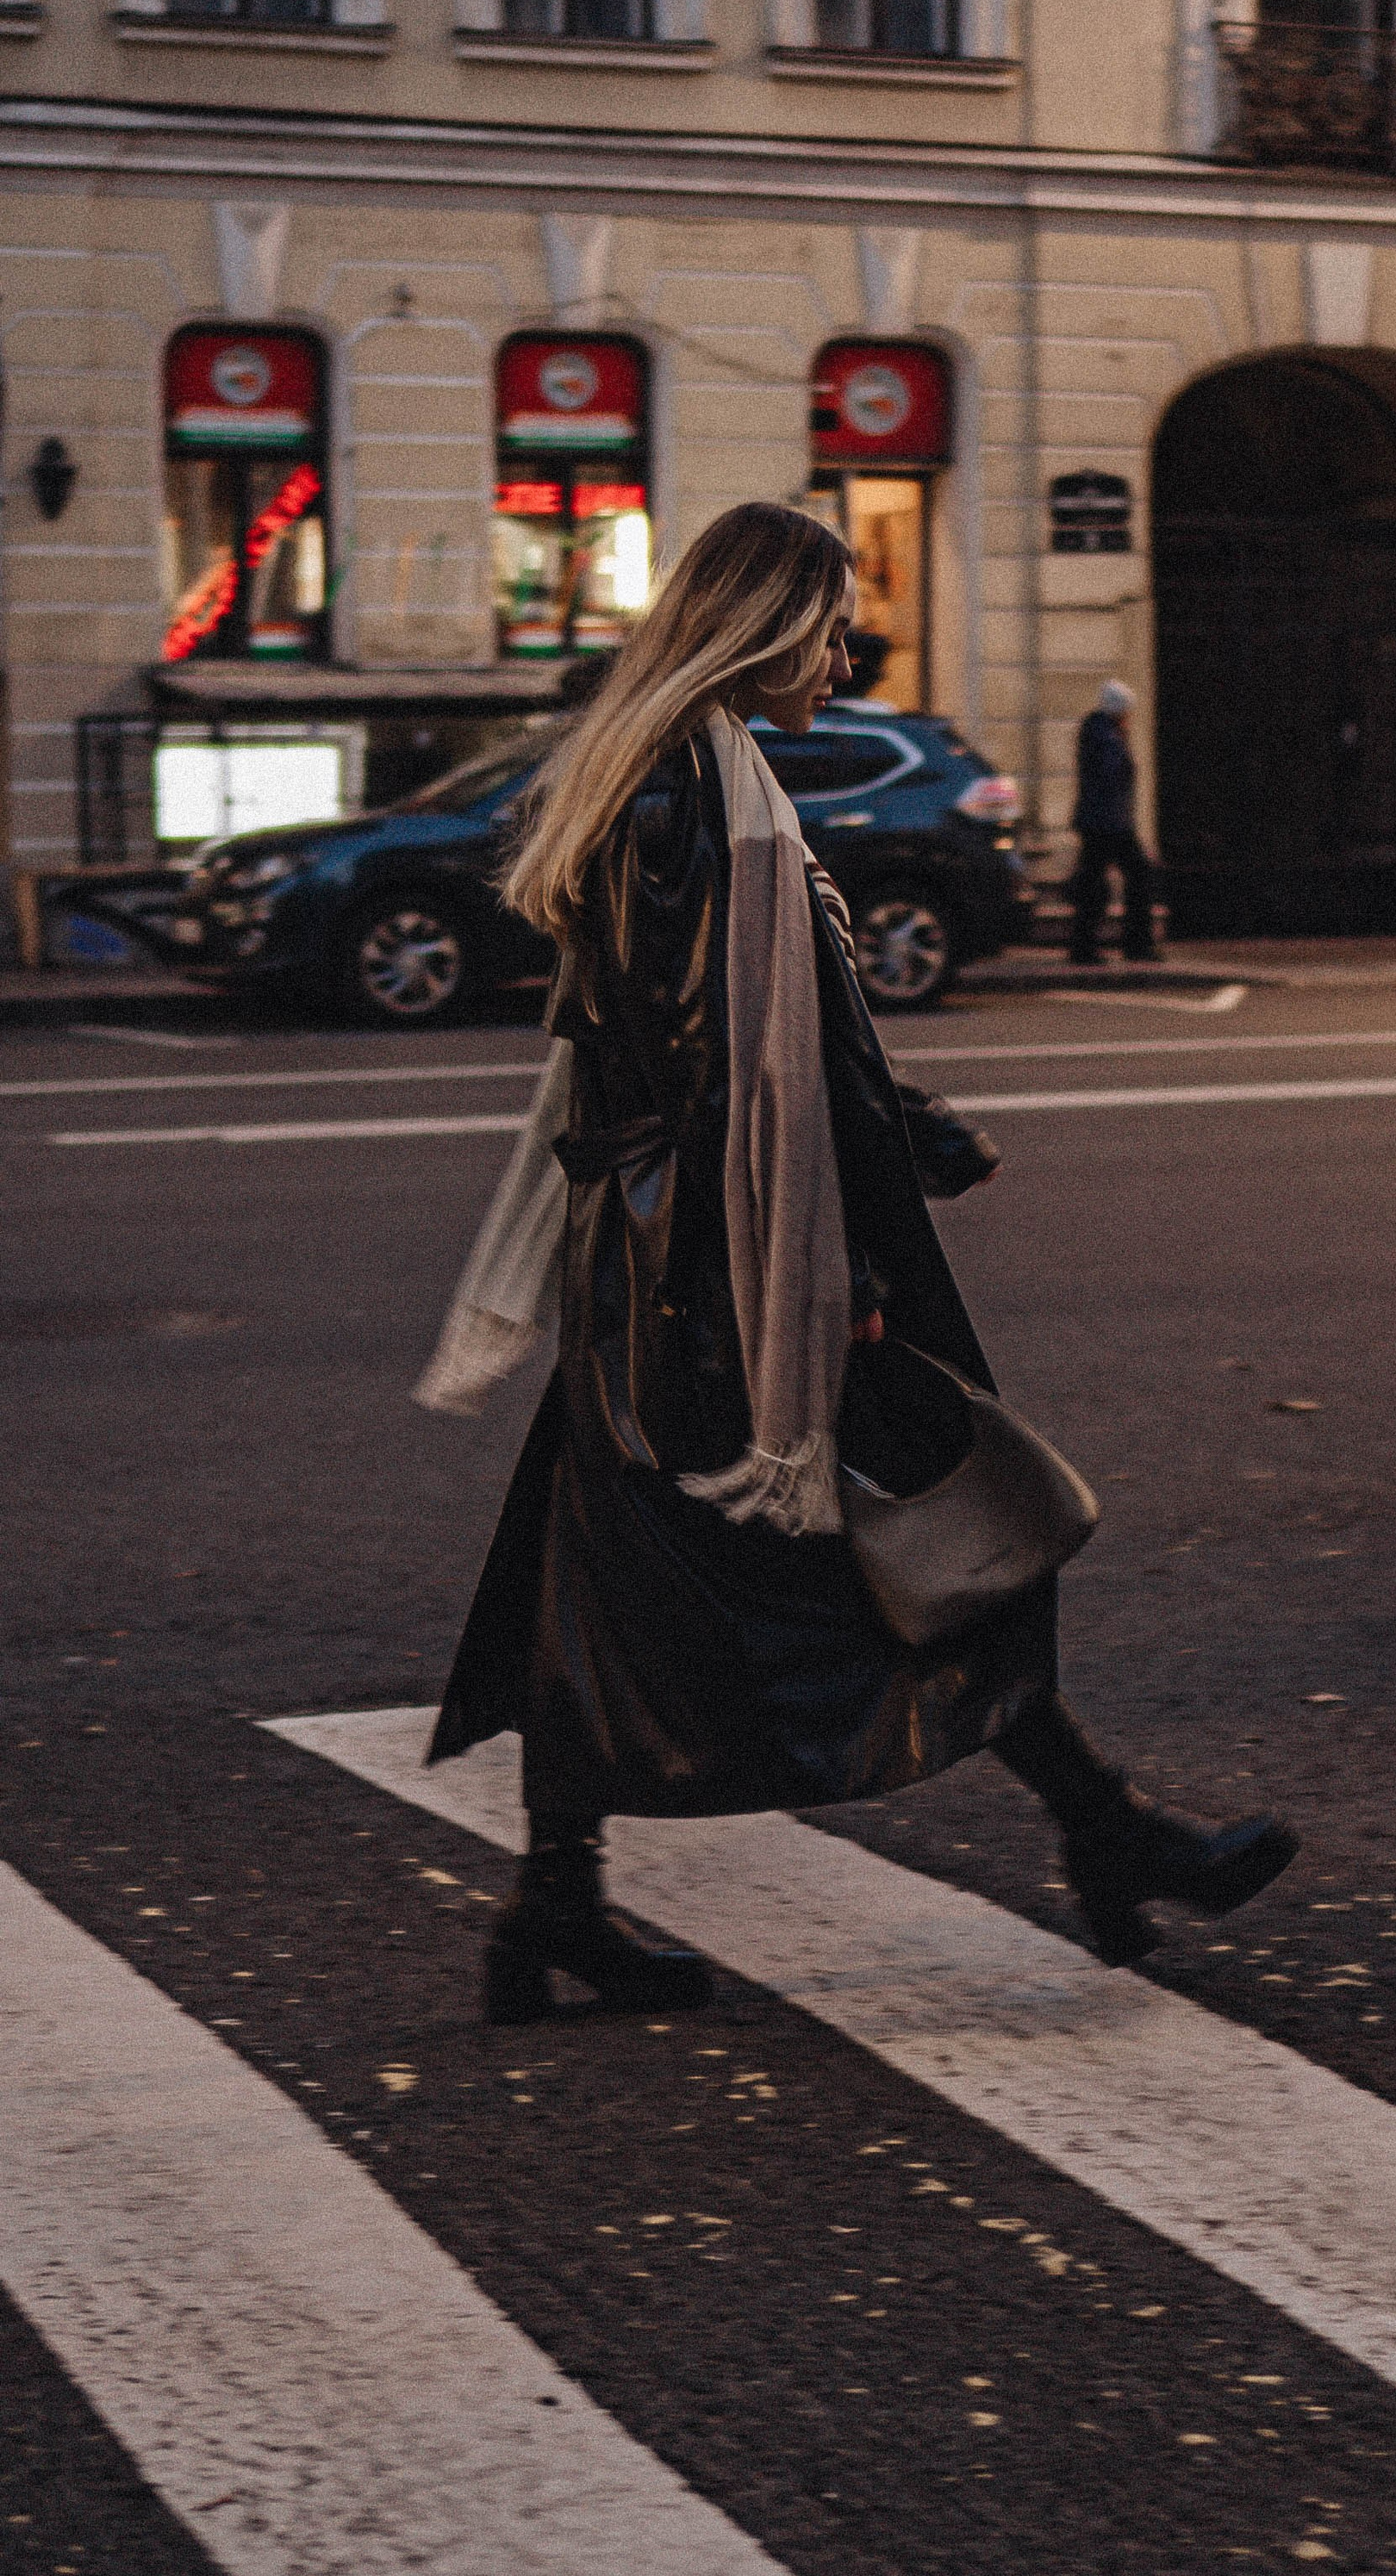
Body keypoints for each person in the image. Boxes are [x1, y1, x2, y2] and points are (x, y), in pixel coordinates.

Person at [422, 504, 1292, 2019]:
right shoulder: (688, 797)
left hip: (650, 1262)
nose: (845, 653)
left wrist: (915, 1123)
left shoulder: (670, 774)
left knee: (616, 1599)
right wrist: (835, 1275)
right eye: (828, 626)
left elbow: (743, 1045)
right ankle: (1108, 1833)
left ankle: (555, 1908)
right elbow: (735, 1082)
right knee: (945, 1548)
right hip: (722, 1269)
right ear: (759, 626)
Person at [1069, 677, 1160, 966]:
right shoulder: (1106, 735)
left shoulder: (1097, 729)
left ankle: (1085, 947)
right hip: (1109, 823)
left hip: (1104, 820)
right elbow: (1112, 774)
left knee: (1094, 884)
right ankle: (1135, 945)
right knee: (1135, 878)